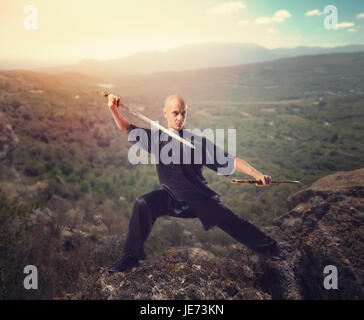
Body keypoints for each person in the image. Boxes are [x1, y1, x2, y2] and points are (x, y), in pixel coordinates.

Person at [107, 94, 284, 273]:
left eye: (183, 113)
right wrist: (113, 109)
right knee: (143, 204)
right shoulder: (156, 138)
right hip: (171, 198)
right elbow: (127, 128)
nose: (180, 118)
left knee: (234, 222)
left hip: (199, 198)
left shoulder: (197, 142)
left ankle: (273, 249)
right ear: (165, 113)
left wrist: (256, 174)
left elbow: (230, 160)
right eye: (175, 113)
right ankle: (131, 257)